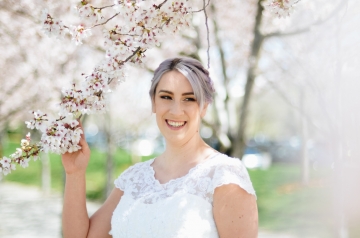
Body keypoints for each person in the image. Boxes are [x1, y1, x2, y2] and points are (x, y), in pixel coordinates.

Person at [61, 57, 258, 238]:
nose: (176, 110)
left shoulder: (224, 175)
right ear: (154, 102)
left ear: (204, 106)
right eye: (166, 97)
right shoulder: (134, 178)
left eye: (189, 99)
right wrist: (75, 173)